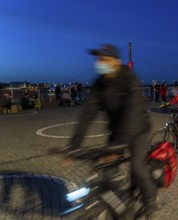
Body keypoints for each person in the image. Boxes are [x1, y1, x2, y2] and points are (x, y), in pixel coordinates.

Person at [64, 44, 158, 218]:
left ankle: (150, 200)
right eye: (99, 59)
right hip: (116, 132)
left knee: (137, 168)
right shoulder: (99, 84)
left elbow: (133, 111)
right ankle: (116, 201)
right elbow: (87, 114)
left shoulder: (129, 78)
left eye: (105, 59)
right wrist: (74, 145)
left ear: (116, 61)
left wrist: (117, 146)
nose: (101, 63)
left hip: (138, 130)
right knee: (107, 171)